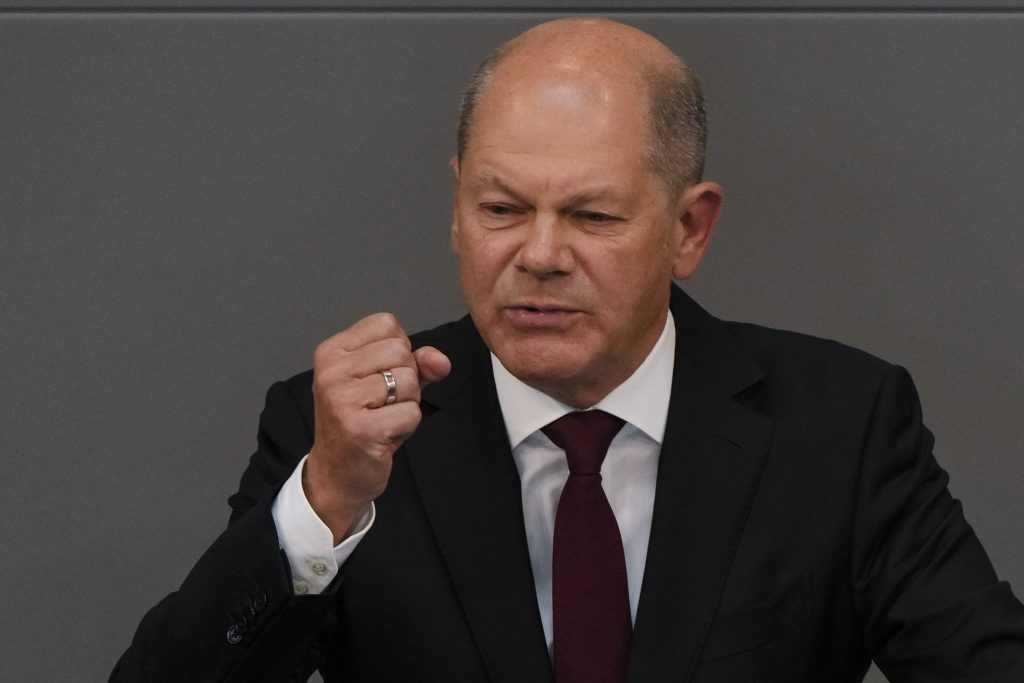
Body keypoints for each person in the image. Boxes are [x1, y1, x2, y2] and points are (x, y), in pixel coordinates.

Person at [112, 17, 1024, 683]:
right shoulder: (350, 437)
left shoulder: (843, 423)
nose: (539, 255)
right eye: (502, 209)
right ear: (457, 203)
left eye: (590, 216)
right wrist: (324, 503)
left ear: (689, 228)